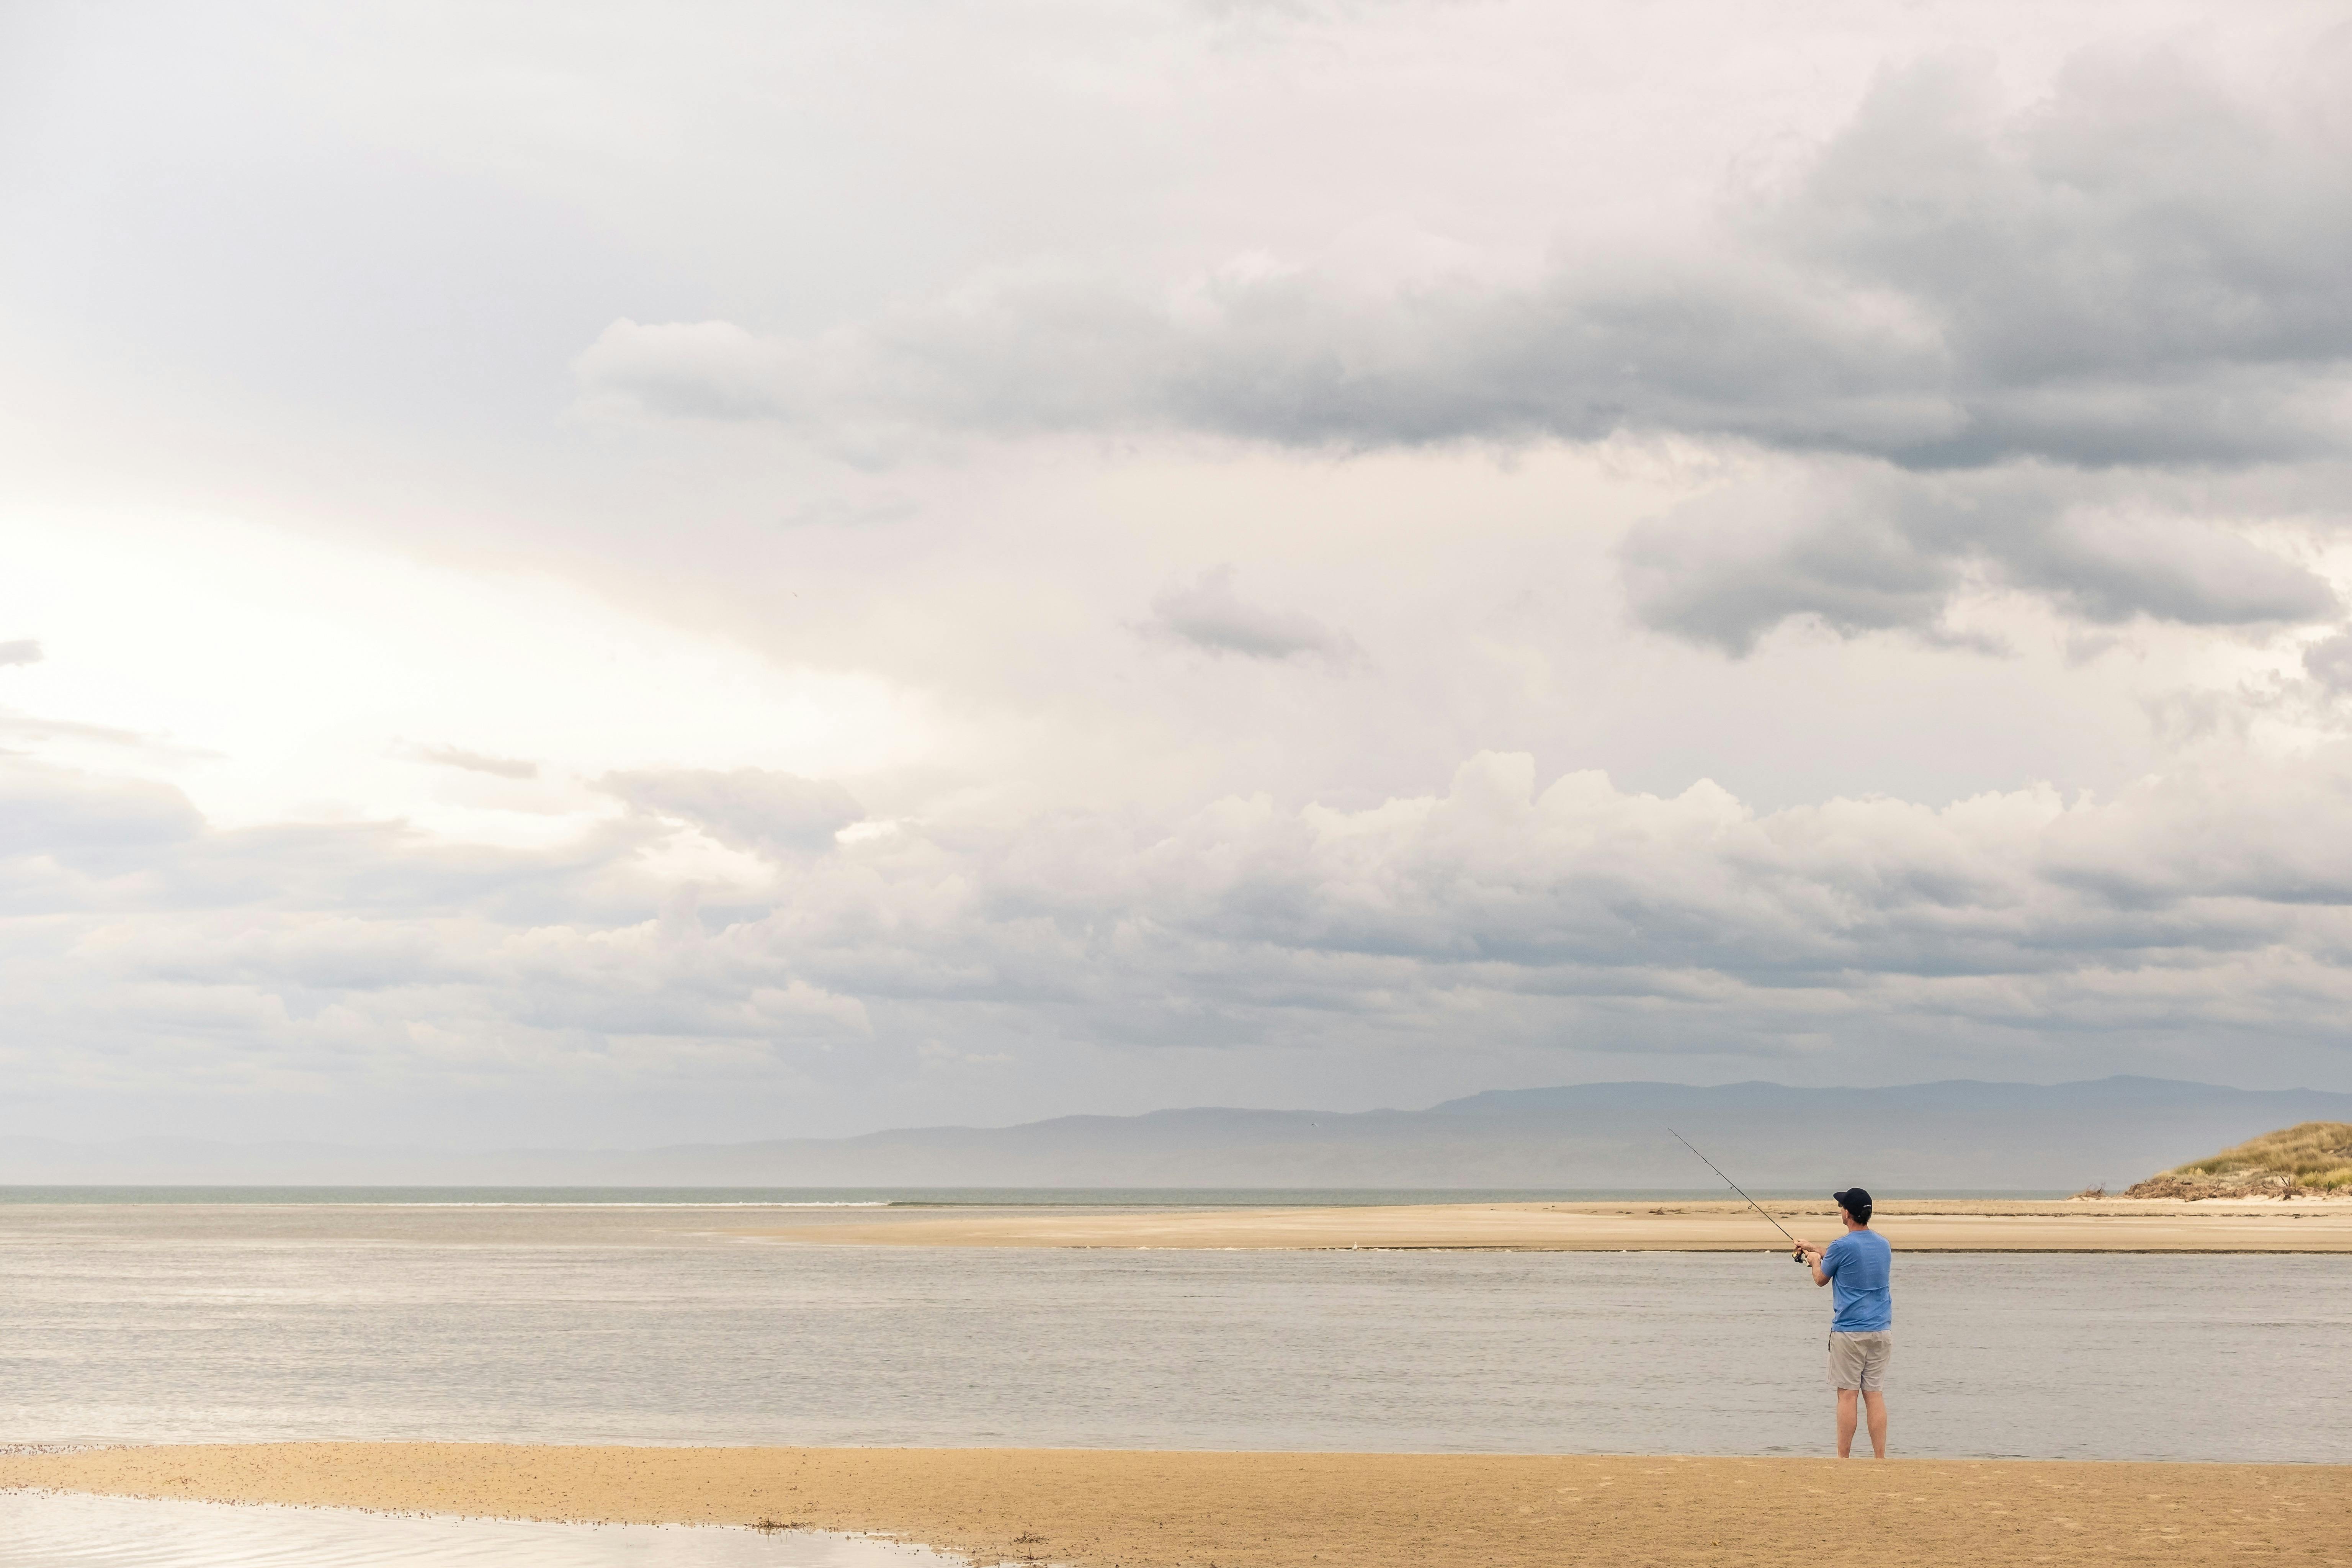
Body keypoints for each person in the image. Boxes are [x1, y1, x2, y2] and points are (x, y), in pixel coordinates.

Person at [1796, 1187, 1891, 1458]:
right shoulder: (1883, 1244)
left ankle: (1843, 1459)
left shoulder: (1841, 1246)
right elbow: (1848, 1257)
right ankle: (1880, 1459)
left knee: (1847, 1395)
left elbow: (1821, 1279)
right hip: (1881, 1330)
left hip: (1849, 1332)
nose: (1840, 1210)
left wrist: (1814, 1260)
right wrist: (1815, 1248)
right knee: (1874, 1394)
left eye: (1841, 1207)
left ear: (1847, 1213)